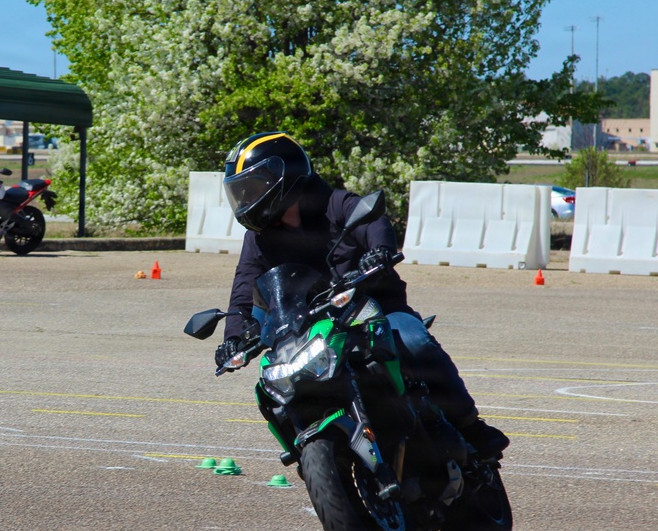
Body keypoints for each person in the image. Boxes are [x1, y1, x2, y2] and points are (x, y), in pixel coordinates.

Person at [216, 131, 509, 459]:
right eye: (240, 193)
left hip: (373, 309)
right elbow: (244, 290)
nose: (245, 201)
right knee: (275, 384)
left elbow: (374, 222)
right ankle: (312, 454)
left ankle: (470, 425)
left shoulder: (335, 204)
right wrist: (235, 337)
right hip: (307, 327)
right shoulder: (258, 241)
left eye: (251, 189)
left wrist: (380, 252)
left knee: (414, 341)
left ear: (283, 179)